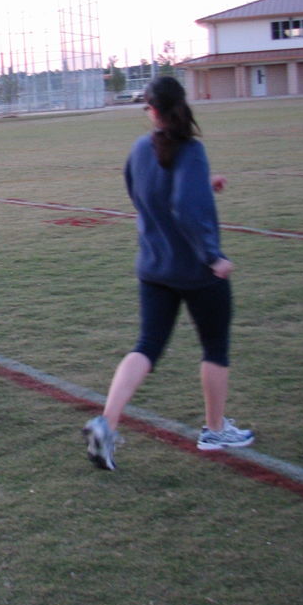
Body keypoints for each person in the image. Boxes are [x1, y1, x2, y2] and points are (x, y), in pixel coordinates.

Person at [84, 76, 254, 470]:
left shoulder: (141, 148)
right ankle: (214, 430)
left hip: (153, 267)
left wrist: (202, 184)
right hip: (195, 271)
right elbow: (184, 207)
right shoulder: (191, 150)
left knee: (146, 346)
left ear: (153, 110)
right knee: (215, 347)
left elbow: (144, 192)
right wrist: (212, 257)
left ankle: (106, 423)